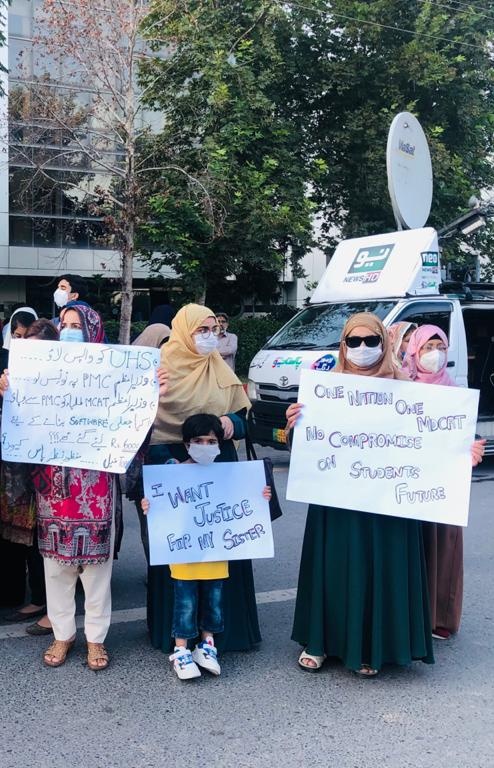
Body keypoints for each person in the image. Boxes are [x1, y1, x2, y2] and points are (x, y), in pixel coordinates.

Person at [286, 312, 435, 677]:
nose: (363, 348)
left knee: (381, 568)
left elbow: (433, 443)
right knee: (333, 568)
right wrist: (293, 426)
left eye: (372, 341)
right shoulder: (326, 389)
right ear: (343, 345)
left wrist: (465, 451)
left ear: (385, 343)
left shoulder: (406, 390)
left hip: (387, 501)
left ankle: (372, 647)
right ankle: (320, 642)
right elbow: (304, 448)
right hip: (337, 501)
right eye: (354, 341)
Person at [146, 303, 260, 654]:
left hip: (218, 467)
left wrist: (231, 422)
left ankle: (223, 635)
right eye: (202, 330)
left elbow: (246, 419)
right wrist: (171, 462)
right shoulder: (158, 368)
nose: (211, 337)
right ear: (184, 331)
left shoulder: (219, 369)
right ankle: (179, 638)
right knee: (179, 558)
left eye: (214, 330)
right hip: (173, 470)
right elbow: (139, 423)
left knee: (221, 553)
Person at [142, 413, 271, 679]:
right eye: (198, 441)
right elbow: (158, 505)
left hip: (216, 556)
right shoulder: (172, 474)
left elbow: (245, 502)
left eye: (211, 441)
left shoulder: (228, 475)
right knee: (185, 604)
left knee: (213, 602)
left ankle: (207, 645)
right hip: (183, 559)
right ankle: (181, 650)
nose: (205, 446)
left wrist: (261, 495)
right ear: (186, 444)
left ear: (219, 445)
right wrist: (148, 505)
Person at [403, 324, 485, 639]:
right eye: (427, 347)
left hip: (441, 488)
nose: (434, 354)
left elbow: (464, 440)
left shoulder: (454, 394)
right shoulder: (400, 389)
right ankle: (408, 614)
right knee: (412, 548)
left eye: (440, 348)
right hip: (408, 485)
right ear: (414, 350)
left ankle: (440, 619)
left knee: (443, 548)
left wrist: (472, 451)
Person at [0, 319, 59, 636]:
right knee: (30, 539)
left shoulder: (66, 380)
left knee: (47, 541)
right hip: (23, 471)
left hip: (53, 472)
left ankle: (49, 605)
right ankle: (38, 598)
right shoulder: (15, 377)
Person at [126, 323, 172, 562]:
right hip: (145, 459)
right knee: (149, 518)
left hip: (172, 459)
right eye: (163, 343)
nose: (167, 349)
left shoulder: (175, 371)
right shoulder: (132, 376)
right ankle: (155, 570)